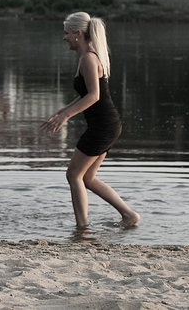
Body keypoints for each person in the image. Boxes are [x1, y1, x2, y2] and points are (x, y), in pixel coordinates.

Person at [41, 12, 140, 229]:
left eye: (66, 33)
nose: (64, 37)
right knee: (87, 178)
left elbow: (94, 96)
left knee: (73, 175)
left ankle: (82, 229)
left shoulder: (88, 58)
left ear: (78, 34)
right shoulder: (88, 57)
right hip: (107, 125)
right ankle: (129, 215)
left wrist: (67, 116)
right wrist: (62, 110)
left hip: (103, 126)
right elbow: (87, 94)